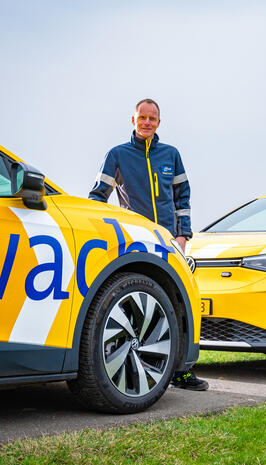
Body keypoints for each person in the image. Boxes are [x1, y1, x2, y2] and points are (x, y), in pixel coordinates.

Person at [89, 98, 208, 391]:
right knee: (136, 307)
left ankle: (181, 373)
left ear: (159, 123)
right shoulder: (117, 155)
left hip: (170, 241)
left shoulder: (171, 154)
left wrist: (184, 235)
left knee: (178, 305)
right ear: (133, 120)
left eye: (152, 119)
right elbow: (97, 198)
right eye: (142, 118)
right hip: (135, 242)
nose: (146, 123)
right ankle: (133, 367)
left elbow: (183, 197)